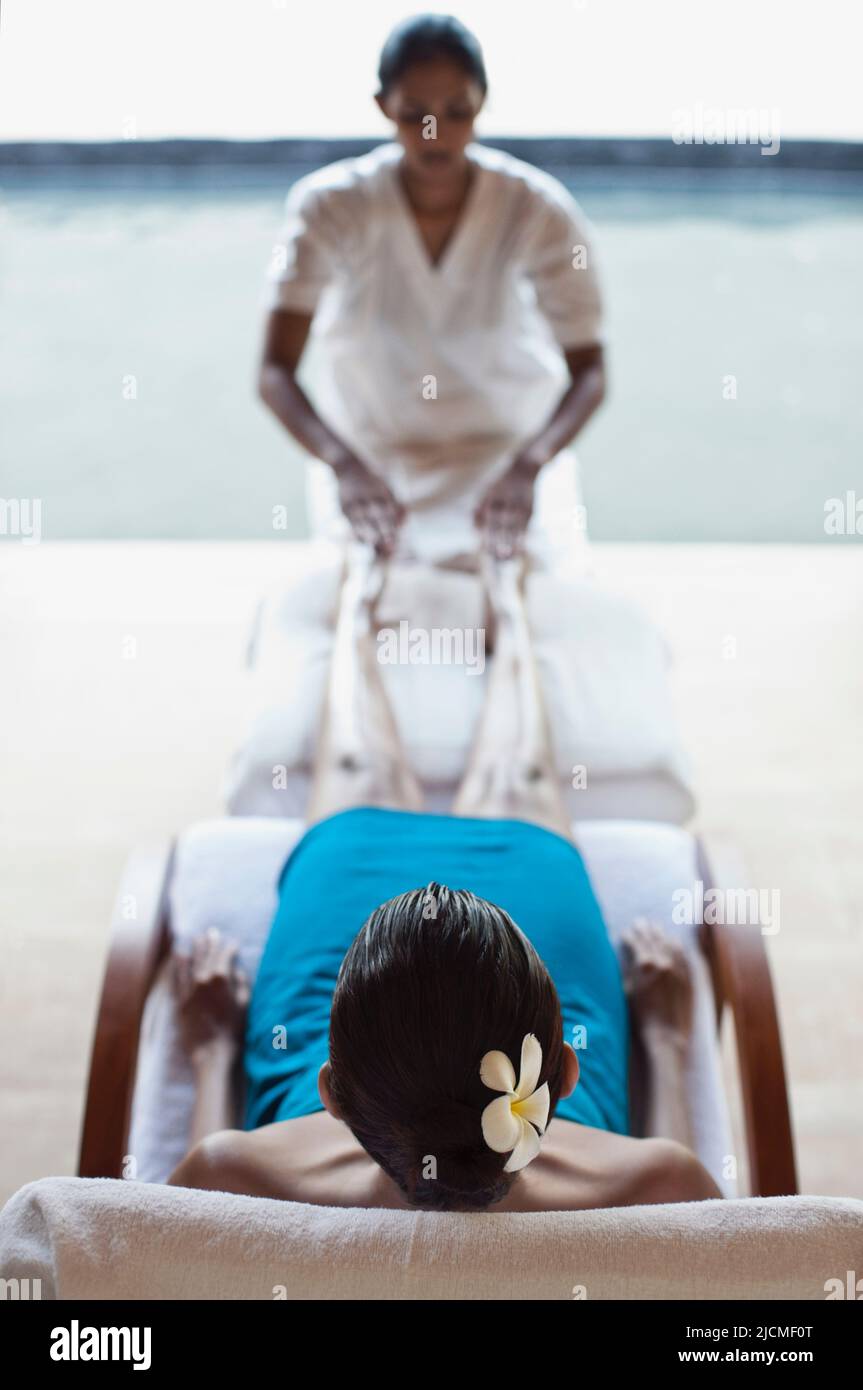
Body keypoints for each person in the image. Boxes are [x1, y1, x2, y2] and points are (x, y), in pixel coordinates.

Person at [168, 555, 722, 1211]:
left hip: (373, 987)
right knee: (517, 782)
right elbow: (698, 1229)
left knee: (359, 770)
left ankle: (359, 599)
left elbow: (181, 1228)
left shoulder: (226, 1178)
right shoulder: (664, 1188)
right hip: (504, 974)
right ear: (564, 1072)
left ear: (333, 1095)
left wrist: (211, 1049)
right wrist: (664, 1039)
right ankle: (505, 596)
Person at [258, 13, 607, 570]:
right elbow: (274, 370)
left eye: (457, 112)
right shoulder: (329, 207)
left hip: (507, 455)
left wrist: (530, 465)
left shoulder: (534, 208)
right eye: (414, 114)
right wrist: (343, 466)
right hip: (373, 460)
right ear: (382, 107)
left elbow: (590, 369)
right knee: (358, 616)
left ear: (484, 102)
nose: (435, 135)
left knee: (543, 619)